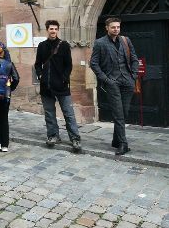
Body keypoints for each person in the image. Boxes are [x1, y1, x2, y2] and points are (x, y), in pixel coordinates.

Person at [90, 17, 138, 155]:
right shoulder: (100, 43)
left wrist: (133, 75)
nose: (116, 29)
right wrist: (105, 79)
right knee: (118, 113)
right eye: (113, 27)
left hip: (127, 81)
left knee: (124, 112)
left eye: (117, 27)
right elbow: (93, 63)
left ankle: (116, 140)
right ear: (107, 28)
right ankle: (123, 144)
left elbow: (134, 58)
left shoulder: (126, 40)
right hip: (112, 82)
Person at [34, 20, 82, 152]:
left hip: (61, 86)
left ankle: (75, 138)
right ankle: (53, 135)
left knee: (68, 113)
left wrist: (64, 78)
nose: (53, 31)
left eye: (55, 29)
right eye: (51, 29)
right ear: (47, 30)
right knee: (49, 113)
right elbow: (37, 63)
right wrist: (39, 75)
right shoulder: (42, 46)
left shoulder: (64, 45)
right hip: (46, 86)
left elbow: (69, 65)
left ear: (58, 30)